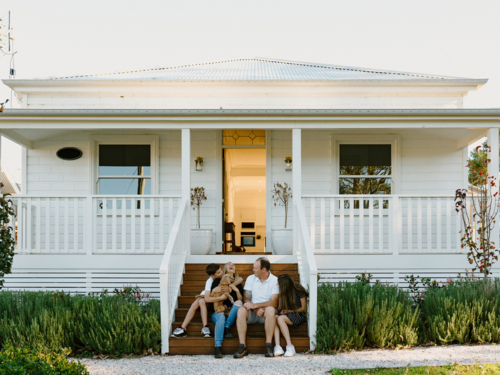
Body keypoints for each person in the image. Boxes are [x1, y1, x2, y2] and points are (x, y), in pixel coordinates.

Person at [234, 257, 279, 358]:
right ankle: (242, 346)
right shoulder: (251, 278)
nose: (253, 270)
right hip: (252, 312)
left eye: (255, 268)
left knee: (271, 309)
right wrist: (255, 309)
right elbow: (246, 299)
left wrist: (257, 305)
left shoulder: (274, 280)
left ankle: (268, 345)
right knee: (241, 310)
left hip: (267, 314)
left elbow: (274, 302)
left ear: (263, 269)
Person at [172, 263, 222, 338]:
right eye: (218, 272)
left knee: (200, 301)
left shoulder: (223, 277)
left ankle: (199, 327)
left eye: (221, 270)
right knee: (196, 303)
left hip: (209, 298)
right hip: (205, 295)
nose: (221, 272)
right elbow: (207, 297)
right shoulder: (209, 281)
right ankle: (184, 328)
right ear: (212, 275)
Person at [207, 262, 244, 358]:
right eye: (229, 264)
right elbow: (211, 296)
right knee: (221, 317)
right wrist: (216, 291)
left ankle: (226, 327)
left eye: (233, 264)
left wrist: (236, 289)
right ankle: (218, 347)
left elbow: (240, 299)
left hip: (232, 311)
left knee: (239, 302)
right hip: (218, 311)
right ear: (225, 269)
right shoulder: (218, 281)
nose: (232, 265)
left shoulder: (238, 283)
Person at [273, 274, 308, 357]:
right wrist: (282, 311)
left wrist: (290, 311)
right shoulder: (282, 292)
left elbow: (304, 309)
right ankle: (277, 346)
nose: (277, 284)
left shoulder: (298, 289)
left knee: (280, 319)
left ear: (284, 284)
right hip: (286, 315)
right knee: (274, 317)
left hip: (298, 315)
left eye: (278, 283)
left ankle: (290, 346)